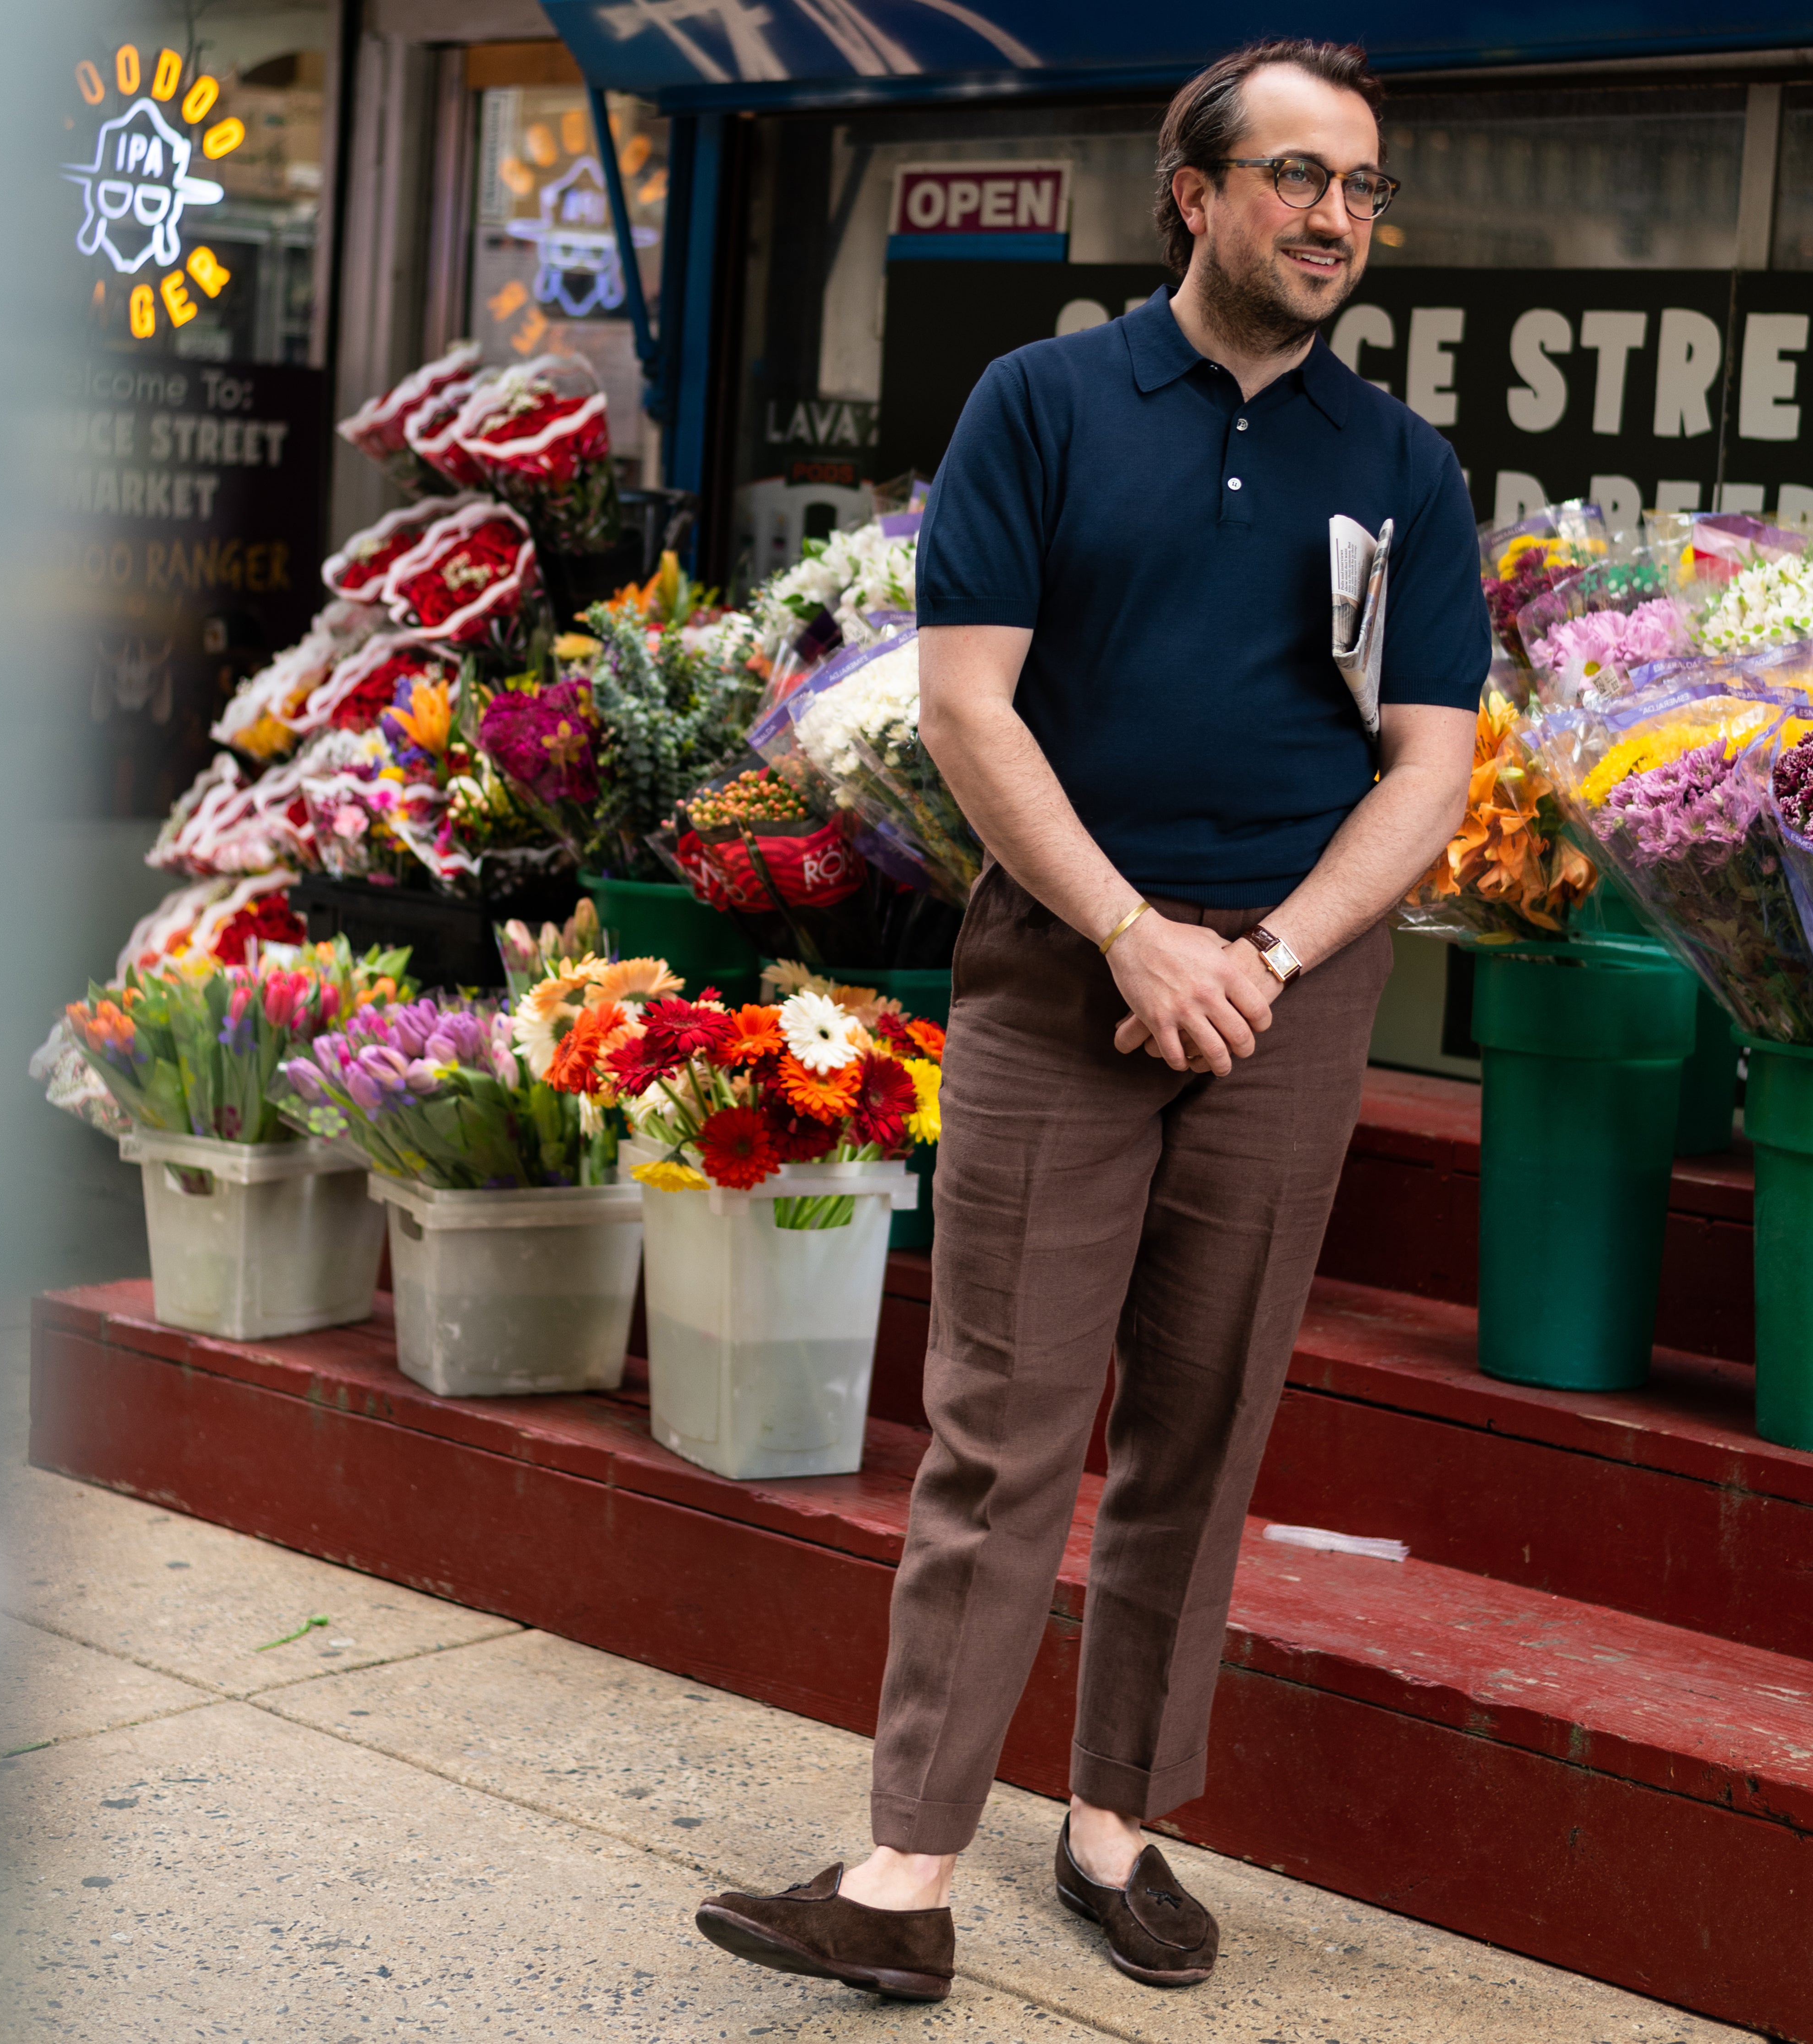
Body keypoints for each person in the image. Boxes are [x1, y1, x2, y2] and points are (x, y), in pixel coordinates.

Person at [696, 37, 1487, 2002]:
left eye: (1361, 187)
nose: (1332, 215)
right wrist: (1133, 934)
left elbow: (1428, 764)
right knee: (1002, 1424)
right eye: (1295, 175)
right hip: (1064, 974)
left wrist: (1266, 957)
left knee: (1201, 1425)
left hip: (1287, 994)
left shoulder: (1400, 466)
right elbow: (967, 703)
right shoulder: (1041, 402)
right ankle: (904, 1870)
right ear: (1193, 194)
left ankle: (1114, 1826)